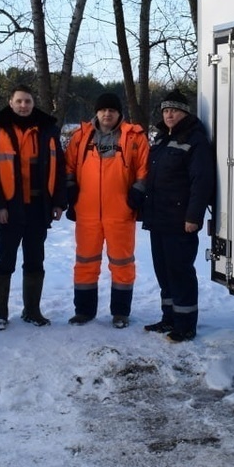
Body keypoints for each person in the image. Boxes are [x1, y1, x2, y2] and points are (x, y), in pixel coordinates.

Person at [0, 85, 67, 330]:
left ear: (33, 102)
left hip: (38, 207)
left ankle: (32, 310)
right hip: (9, 207)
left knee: (35, 259)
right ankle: (1, 312)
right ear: (11, 103)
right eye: (19, 101)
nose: (23, 106)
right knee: (4, 260)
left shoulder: (48, 130)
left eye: (27, 101)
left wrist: (59, 202)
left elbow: (58, 168)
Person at [64, 92, 149, 328]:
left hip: (120, 212)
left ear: (119, 113)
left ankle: (120, 312)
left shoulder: (134, 137)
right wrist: (70, 190)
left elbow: (144, 167)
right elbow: (68, 165)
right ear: (97, 112)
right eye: (103, 110)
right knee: (85, 262)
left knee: (122, 264)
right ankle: (84, 311)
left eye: (112, 110)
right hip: (87, 212)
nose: (107, 114)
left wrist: (138, 192)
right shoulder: (80, 137)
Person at [140, 88, 215, 342]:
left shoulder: (195, 140)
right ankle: (169, 317)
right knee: (164, 272)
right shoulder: (161, 139)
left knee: (180, 272)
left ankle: (185, 325)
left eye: (174, 110)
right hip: (158, 219)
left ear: (184, 112)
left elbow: (201, 180)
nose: (169, 114)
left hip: (180, 221)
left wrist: (193, 217)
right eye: (166, 110)